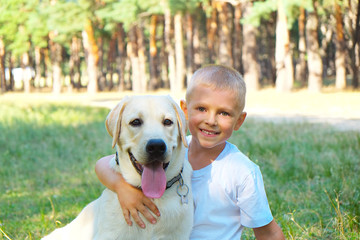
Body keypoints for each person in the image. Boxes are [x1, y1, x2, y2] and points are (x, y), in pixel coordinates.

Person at [95, 65, 285, 239]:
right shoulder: (174, 148)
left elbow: (268, 234)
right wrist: (122, 188)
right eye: (201, 109)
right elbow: (104, 164)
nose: (211, 120)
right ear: (184, 112)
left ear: (239, 121)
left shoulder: (242, 172)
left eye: (224, 113)